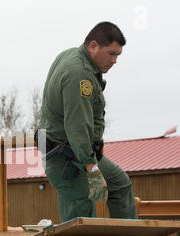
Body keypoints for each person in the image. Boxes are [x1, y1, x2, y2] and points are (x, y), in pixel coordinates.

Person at [37, 21, 137, 223]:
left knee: (119, 184)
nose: (114, 60)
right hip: (65, 156)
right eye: (111, 53)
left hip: (79, 151)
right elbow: (77, 126)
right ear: (93, 46)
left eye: (118, 55)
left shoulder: (72, 55)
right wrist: (91, 167)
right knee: (81, 215)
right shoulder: (79, 74)